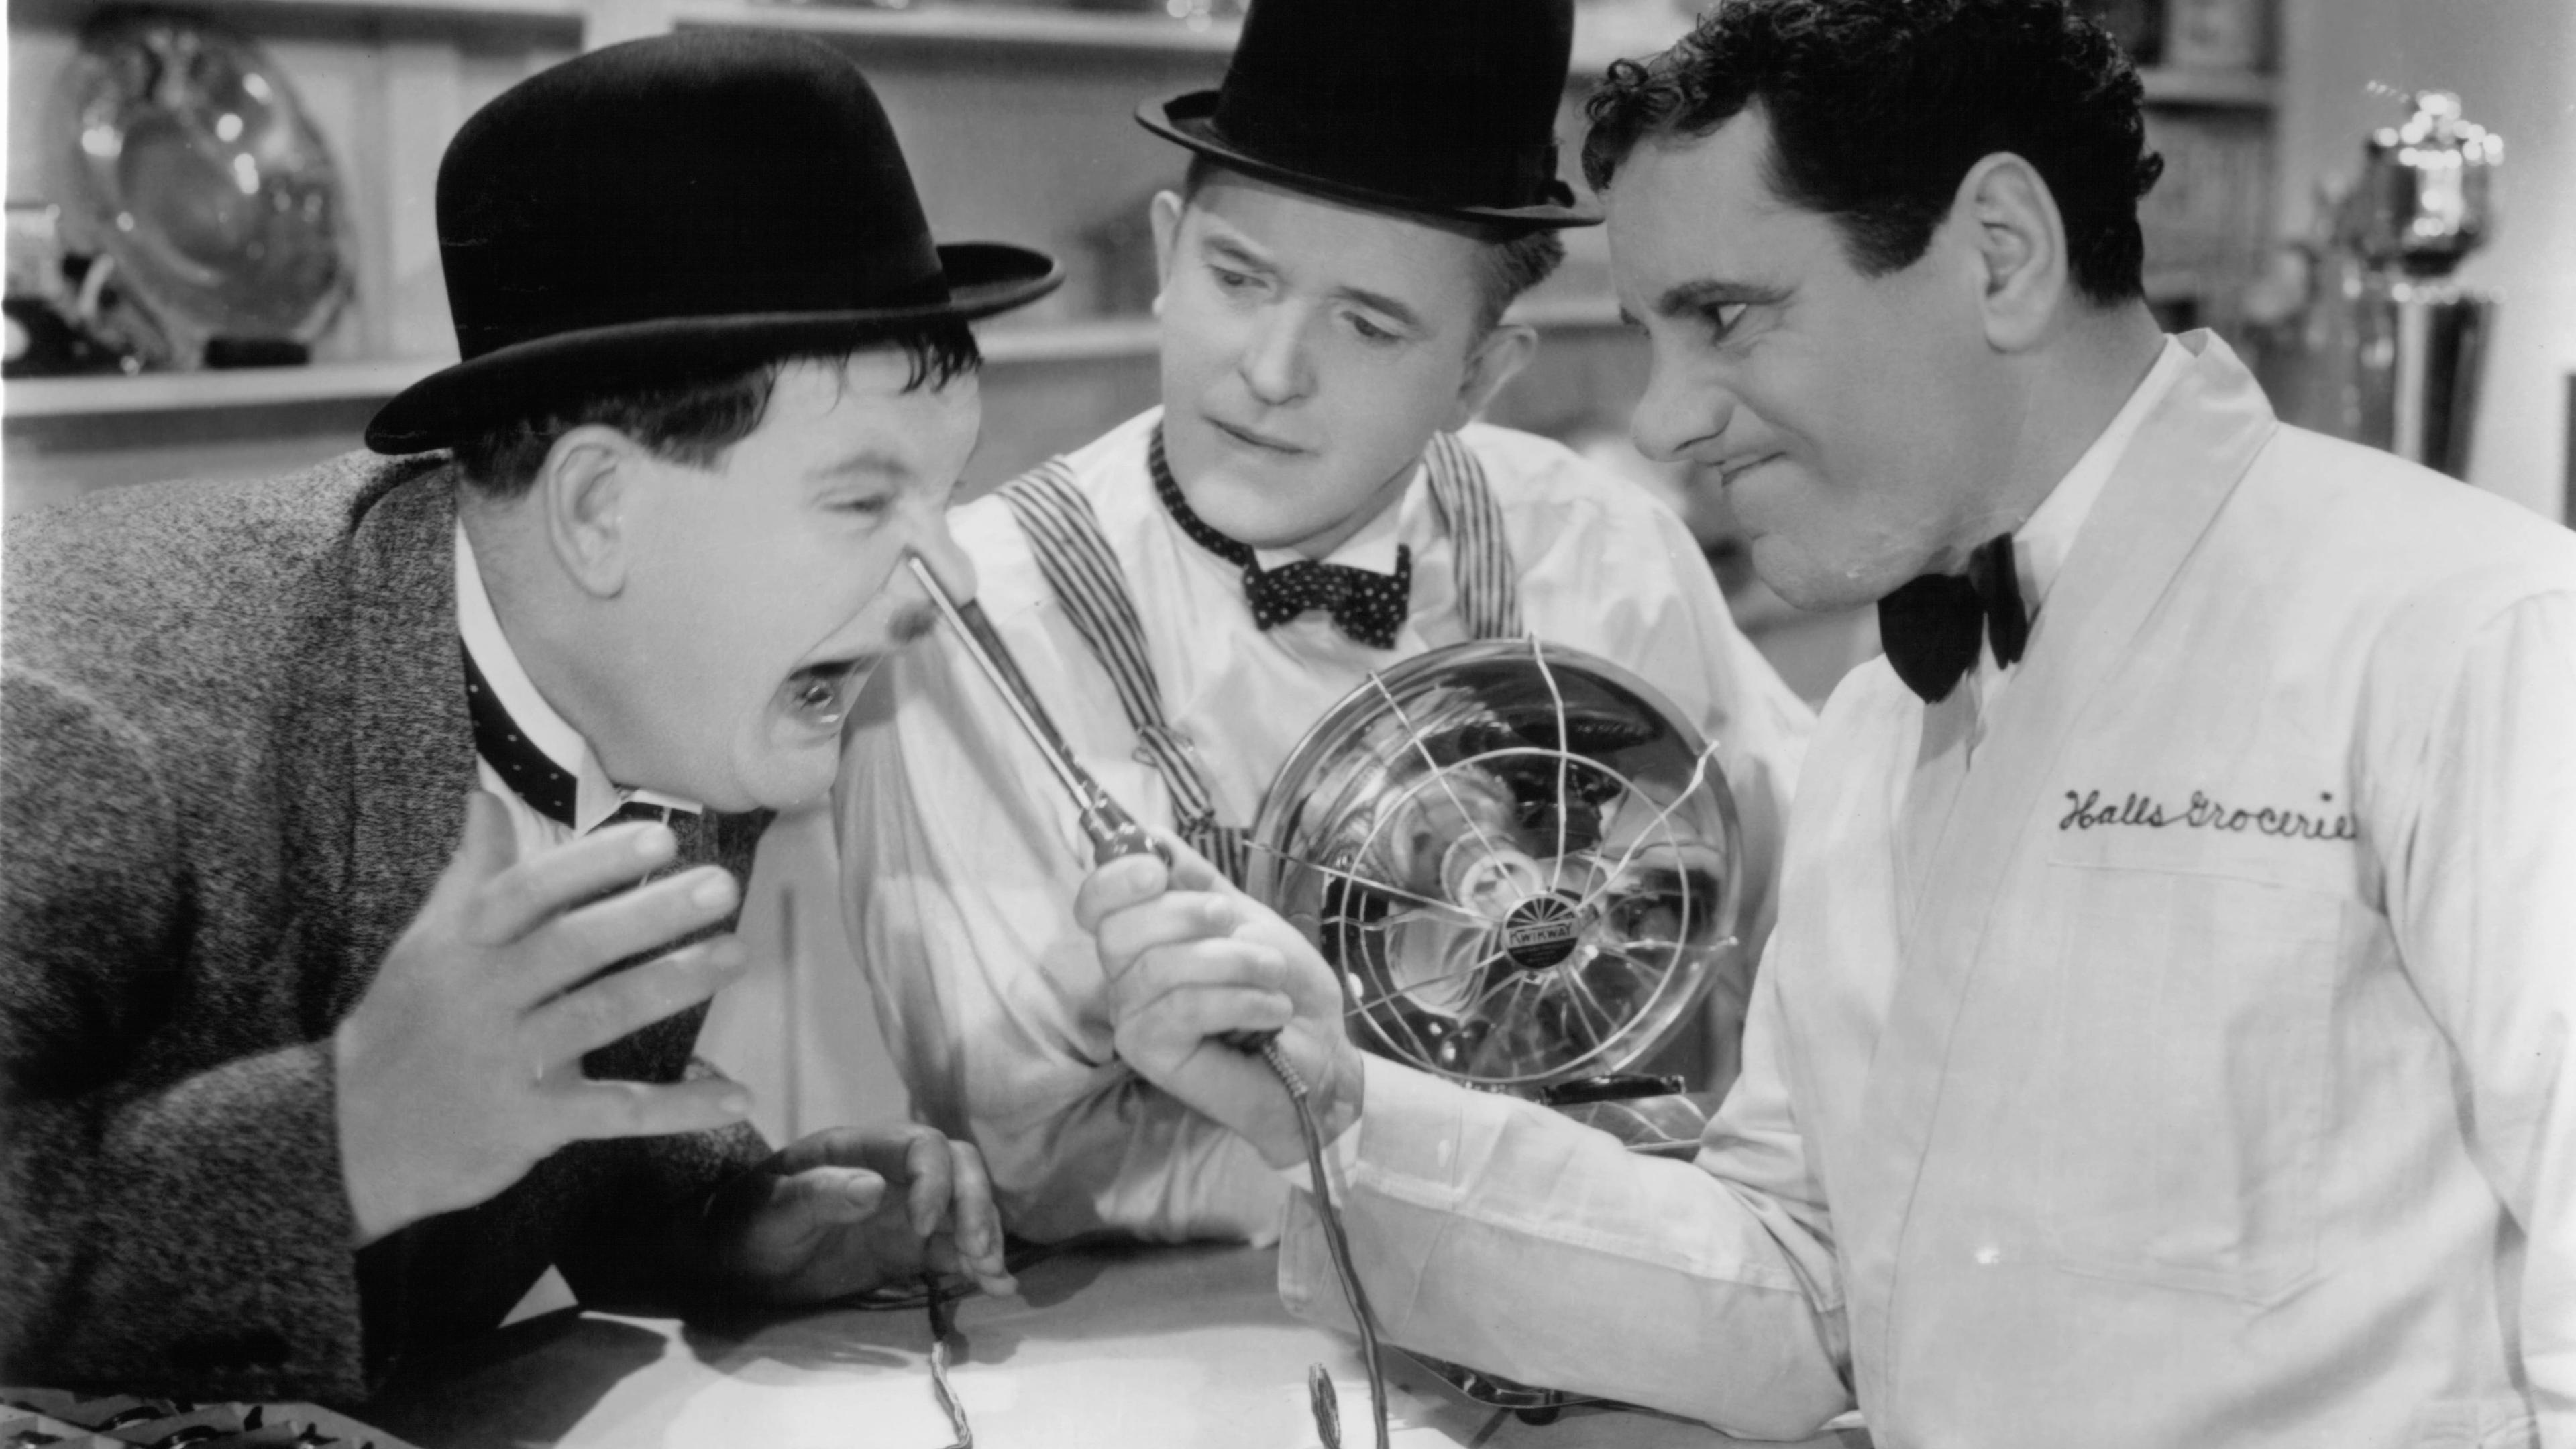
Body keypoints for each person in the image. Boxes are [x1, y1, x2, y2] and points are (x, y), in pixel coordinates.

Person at [1076, 0, 2576, 1442]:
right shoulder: (1875, 730)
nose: (1664, 420)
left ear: (2000, 254)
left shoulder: (2468, 636)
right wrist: (1340, 1117)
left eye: (1726, 316)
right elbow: (1803, 1293)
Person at [0, 32, 1058, 1404]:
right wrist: (347, 1138)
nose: (952, 576)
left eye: (946, 491)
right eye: (864, 502)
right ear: (599, 511)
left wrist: (723, 1215)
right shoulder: (88, 715)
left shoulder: (680, 675)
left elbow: (501, 1105)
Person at [812, 0, 1815, 1246]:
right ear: (1170, 256)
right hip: (1179, 1350)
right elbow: (1029, 1159)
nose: (1272, 369)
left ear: (1480, 375)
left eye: (1367, 323)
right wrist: (1475, 1187)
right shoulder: (978, 626)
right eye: (1239, 279)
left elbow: (1804, 924)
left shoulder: (1605, 552)